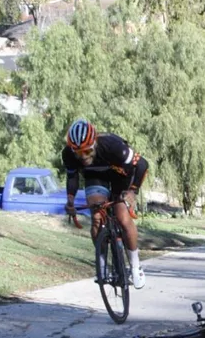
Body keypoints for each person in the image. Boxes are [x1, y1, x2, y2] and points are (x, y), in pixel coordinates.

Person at [62, 119, 148, 289]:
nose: (83, 157)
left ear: (94, 143)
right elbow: (72, 177)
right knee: (96, 216)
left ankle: (136, 266)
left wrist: (132, 191)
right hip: (96, 177)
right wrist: (70, 200)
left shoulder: (114, 147)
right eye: (78, 153)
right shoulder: (68, 154)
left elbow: (142, 165)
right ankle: (101, 263)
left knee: (122, 218)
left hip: (120, 177)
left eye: (87, 151)